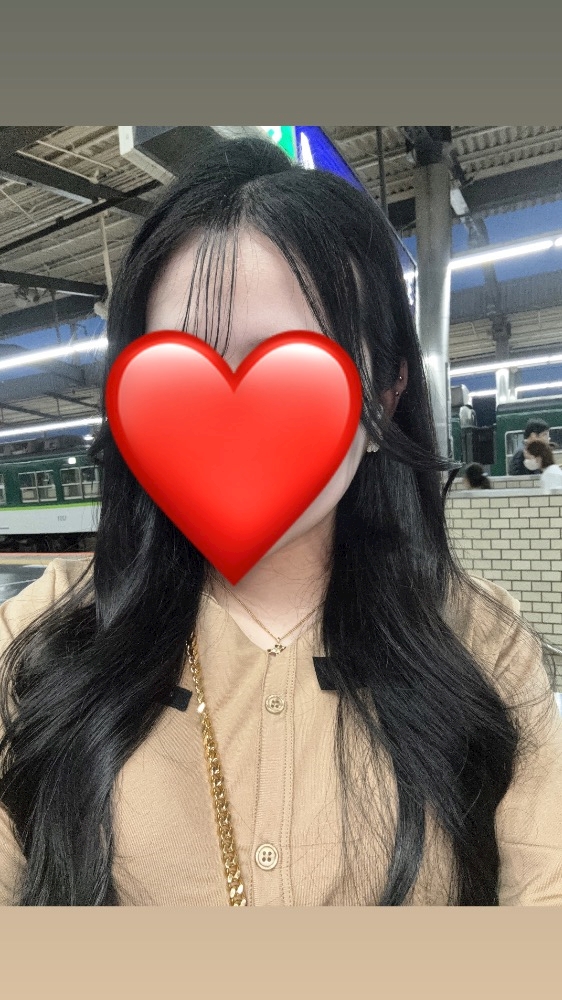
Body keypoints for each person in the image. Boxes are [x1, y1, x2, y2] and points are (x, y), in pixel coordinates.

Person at [1, 137, 561, 907]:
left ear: (385, 395)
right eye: (180, 366)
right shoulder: (39, 639)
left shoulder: (483, 642)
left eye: (297, 363)